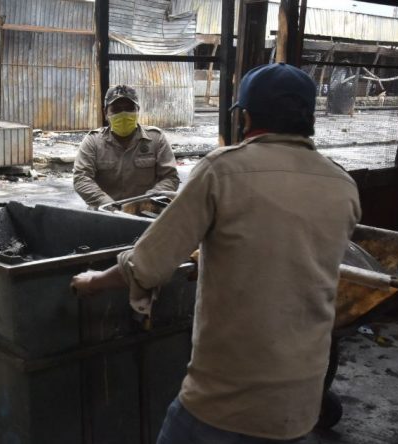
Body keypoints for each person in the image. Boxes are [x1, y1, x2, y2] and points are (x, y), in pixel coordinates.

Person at [71, 64, 361, 443]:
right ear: (310, 117)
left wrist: (94, 281)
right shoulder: (343, 184)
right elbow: (281, 248)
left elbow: (148, 264)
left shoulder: (221, 170)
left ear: (246, 117)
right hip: (300, 402)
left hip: (225, 399)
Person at [73, 84, 180, 208]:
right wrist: (108, 205)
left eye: (129, 108)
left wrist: (146, 202)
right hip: (104, 213)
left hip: (146, 212)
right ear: (105, 113)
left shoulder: (156, 138)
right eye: (116, 109)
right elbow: (81, 178)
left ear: (138, 111)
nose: (123, 114)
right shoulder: (93, 141)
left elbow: (170, 177)